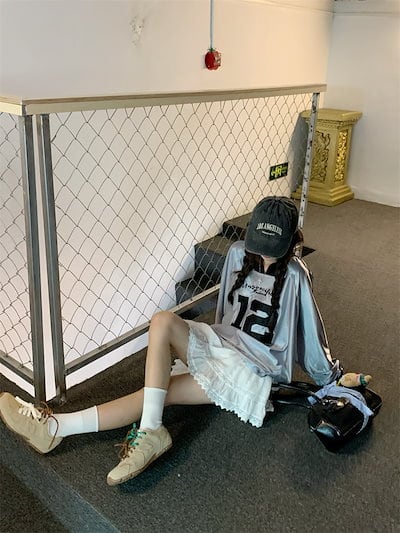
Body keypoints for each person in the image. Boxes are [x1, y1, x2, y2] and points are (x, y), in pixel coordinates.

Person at [0, 196, 343, 486]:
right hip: (222, 345)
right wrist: (208, 351)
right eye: (260, 245)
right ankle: (146, 430)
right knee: (162, 321)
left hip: (253, 370)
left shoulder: (296, 274)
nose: (265, 256)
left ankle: (59, 427)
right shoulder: (238, 253)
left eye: (273, 250)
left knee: (159, 393)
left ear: (291, 241)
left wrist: (333, 380)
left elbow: (310, 338)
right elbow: (224, 312)